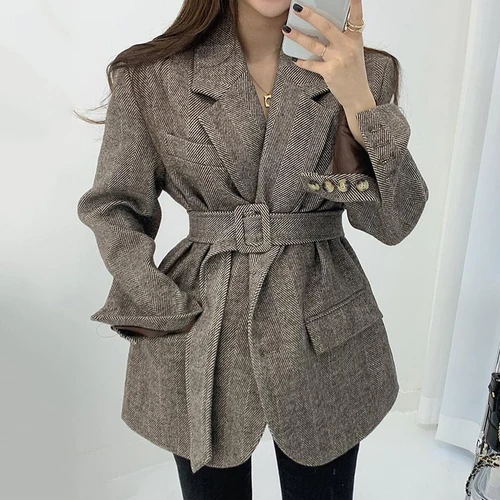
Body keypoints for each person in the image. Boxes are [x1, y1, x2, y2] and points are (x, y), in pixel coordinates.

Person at [77, 0, 429, 498]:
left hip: (323, 321)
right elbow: (114, 205)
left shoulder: (366, 71)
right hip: (203, 324)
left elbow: (392, 223)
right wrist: (156, 301)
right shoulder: (152, 76)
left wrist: (358, 103)